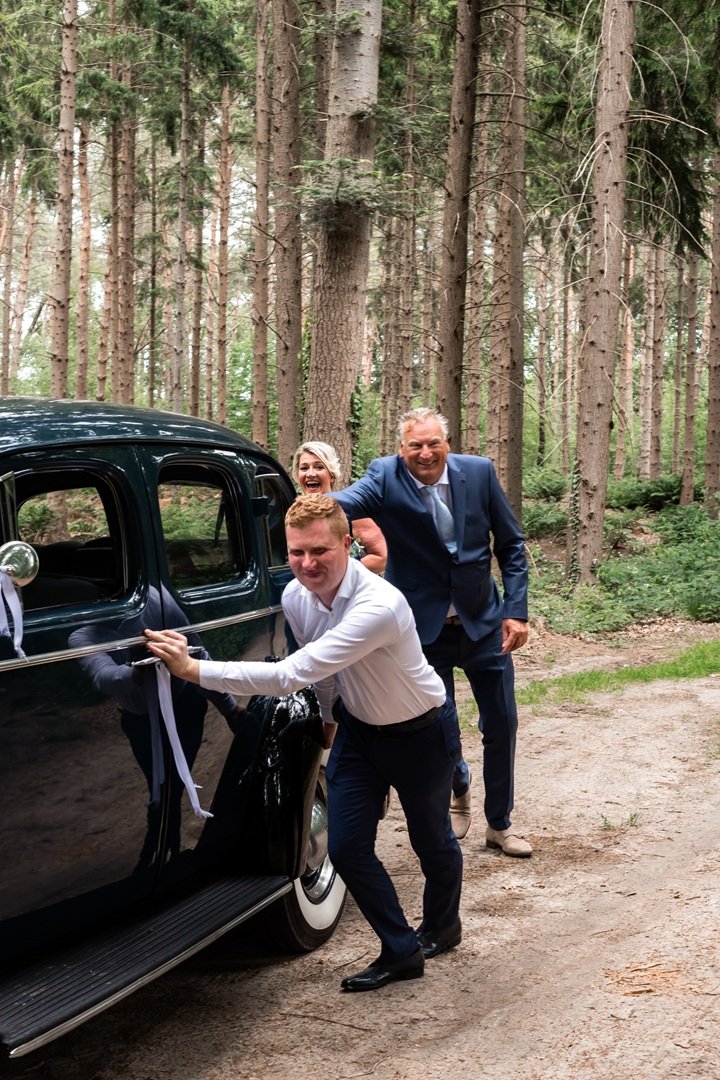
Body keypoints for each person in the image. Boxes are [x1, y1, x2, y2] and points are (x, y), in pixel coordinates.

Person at [145, 494, 463, 991]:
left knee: (431, 840)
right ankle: (401, 949)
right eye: (296, 553)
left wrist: (192, 670)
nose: (308, 564)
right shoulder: (296, 595)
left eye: (320, 551)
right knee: (348, 846)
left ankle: (444, 925)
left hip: (420, 730)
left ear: (348, 544)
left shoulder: (378, 605)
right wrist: (332, 718)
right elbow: (324, 675)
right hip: (359, 731)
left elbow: (293, 672)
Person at [333, 406, 531, 856]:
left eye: (433, 443)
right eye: (415, 445)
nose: (425, 453)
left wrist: (515, 611)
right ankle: (457, 786)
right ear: (401, 450)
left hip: (483, 622)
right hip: (422, 631)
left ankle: (499, 823)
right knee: (439, 729)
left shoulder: (478, 474)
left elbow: (512, 544)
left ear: (447, 442)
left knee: (502, 722)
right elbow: (346, 503)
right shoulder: (385, 476)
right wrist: (310, 503)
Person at [291, 441, 387, 574]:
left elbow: (381, 557)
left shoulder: (348, 509)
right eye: (304, 468)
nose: (310, 473)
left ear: (332, 475)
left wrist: (338, 573)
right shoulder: (292, 513)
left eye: (319, 467)